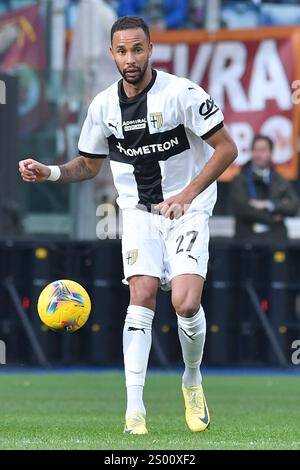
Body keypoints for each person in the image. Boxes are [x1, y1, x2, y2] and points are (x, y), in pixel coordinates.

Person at [19, 16, 237, 434]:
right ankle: (134, 409)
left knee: (186, 304)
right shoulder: (103, 106)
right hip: (138, 211)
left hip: (188, 209)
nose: (131, 58)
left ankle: (191, 380)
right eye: (122, 51)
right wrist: (47, 171)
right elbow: (87, 164)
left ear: (151, 49)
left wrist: (188, 194)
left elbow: (227, 149)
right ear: (112, 54)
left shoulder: (183, 93)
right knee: (143, 293)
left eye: (138, 49)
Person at [230, 134, 299, 243]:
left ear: (271, 153)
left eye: (262, 150)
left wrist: (269, 205)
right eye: (255, 150)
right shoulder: (241, 179)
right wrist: (274, 217)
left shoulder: (279, 179)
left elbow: (293, 206)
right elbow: (242, 209)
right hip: (247, 241)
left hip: (275, 241)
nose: (258, 154)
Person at [118, 0, 188, 30]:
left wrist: (166, 23)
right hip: (137, 30)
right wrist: (141, 22)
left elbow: (180, 11)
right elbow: (125, 9)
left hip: (168, 31)